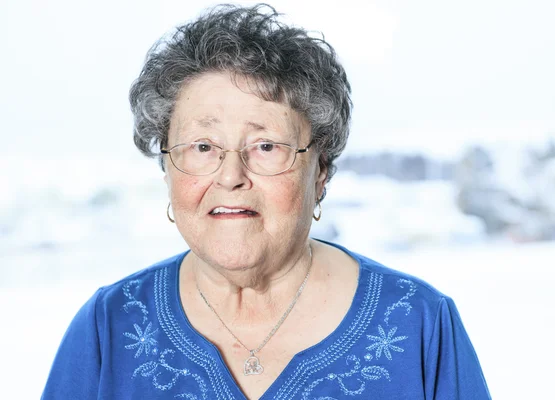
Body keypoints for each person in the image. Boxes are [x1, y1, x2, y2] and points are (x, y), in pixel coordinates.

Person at [42, 4, 491, 399]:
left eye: (266, 146)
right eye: (202, 146)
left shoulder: (420, 326)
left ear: (321, 171)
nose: (231, 176)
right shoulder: (108, 328)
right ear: (167, 168)